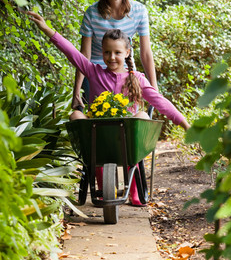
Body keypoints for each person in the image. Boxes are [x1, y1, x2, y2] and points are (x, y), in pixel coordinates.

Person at [28, 11, 190, 206]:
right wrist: (47, 29)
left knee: (141, 115)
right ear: (102, 52)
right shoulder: (93, 72)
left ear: (127, 53)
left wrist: (184, 123)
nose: (111, 57)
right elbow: (71, 52)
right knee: (76, 115)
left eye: (117, 52)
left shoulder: (136, 79)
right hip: (99, 136)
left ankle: (134, 188)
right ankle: (103, 183)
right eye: (107, 52)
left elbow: (160, 101)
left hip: (128, 138)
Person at [72, 0, 158, 112]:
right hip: (96, 72)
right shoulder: (92, 13)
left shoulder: (139, 11)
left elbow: (145, 53)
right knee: (98, 116)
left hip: (125, 70)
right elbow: (84, 55)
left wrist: (154, 89)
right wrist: (76, 91)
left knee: (129, 116)